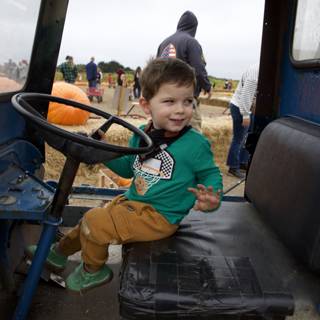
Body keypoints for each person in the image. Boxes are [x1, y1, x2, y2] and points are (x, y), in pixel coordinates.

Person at [26, 58, 223, 294]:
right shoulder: (142, 136)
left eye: (188, 101)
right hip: (132, 203)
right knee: (84, 225)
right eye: (170, 101)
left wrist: (212, 198)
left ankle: (93, 270)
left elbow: (211, 175)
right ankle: (58, 254)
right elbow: (129, 168)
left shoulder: (195, 144)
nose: (181, 109)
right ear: (146, 104)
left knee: (94, 222)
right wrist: (106, 151)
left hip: (159, 216)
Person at [157, 11, 212, 132]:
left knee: (166, 136)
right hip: (184, 102)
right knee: (193, 136)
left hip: (164, 100)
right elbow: (198, 69)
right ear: (194, 27)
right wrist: (207, 86)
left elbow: (154, 71)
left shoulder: (164, 43)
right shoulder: (191, 42)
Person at [226, 64, 259, 178]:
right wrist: (245, 114)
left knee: (248, 136)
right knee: (239, 138)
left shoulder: (257, 69)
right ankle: (233, 166)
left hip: (247, 108)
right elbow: (246, 96)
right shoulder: (255, 74)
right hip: (241, 107)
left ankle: (242, 163)